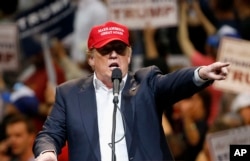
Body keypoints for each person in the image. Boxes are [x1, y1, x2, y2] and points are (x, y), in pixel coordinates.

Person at [32, 21, 230, 161]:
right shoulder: (69, 94)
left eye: (120, 49)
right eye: (105, 50)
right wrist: (47, 152)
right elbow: (50, 134)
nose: (113, 55)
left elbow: (173, 82)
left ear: (129, 55)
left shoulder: (146, 82)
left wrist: (201, 73)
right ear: (91, 58)